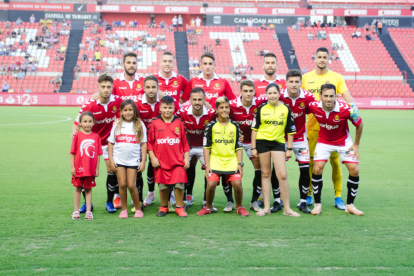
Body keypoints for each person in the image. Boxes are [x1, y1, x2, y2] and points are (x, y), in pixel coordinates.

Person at [301, 47, 359, 209]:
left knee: (335, 163)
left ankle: (338, 196)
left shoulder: (337, 77)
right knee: (313, 164)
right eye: (319, 57)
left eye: (324, 57)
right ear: (314, 58)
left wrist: (354, 108)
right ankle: (310, 194)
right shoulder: (306, 78)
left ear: (328, 59)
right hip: (313, 128)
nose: (322, 59)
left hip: (334, 130)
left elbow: (346, 94)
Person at [307, 84, 364, 216]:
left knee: (354, 170)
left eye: (331, 96)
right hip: (324, 141)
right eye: (325, 96)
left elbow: (359, 124)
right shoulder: (314, 106)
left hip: (344, 142)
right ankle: (317, 205)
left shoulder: (346, 109)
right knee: (317, 169)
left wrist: (356, 145)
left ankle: (350, 205)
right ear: (320, 96)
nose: (328, 99)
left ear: (336, 96)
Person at [72, 74, 123, 214]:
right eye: (103, 87)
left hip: (109, 143)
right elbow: (76, 125)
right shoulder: (89, 104)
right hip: (91, 143)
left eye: (108, 87)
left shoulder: (118, 102)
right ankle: (87, 203)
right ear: (98, 87)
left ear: (113, 88)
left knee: (112, 170)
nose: (106, 89)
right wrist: (75, 136)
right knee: (84, 172)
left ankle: (109, 202)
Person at [251, 83, 300, 217]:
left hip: (278, 143)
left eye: (275, 93)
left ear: (279, 94)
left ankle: (287, 209)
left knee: (282, 175)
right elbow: (254, 129)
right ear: (266, 95)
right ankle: (266, 208)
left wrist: (289, 148)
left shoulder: (285, 108)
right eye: (270, 93)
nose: (272, 96)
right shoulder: (261, 108)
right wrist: (253, 147)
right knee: (265, 174)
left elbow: (290, 130)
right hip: (262, 143)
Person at [197, 97, 250, 217]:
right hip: (215, 161)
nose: (224, 110)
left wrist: (240, 164)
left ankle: (240, 207)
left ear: (229, 109)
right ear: (216, 110)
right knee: (210, 184)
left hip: (232, 160)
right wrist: (207, 165)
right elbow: (206, 147)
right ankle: (208, 207)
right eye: (221, 108)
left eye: (226, 107)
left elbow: (239, 146)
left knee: (237, 183)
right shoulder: (211, 126)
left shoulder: (235, 126)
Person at [134, 76, 180, 209]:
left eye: (153, 87)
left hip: (163, 140)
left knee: (166, 165)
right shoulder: (137, 103)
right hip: (143, 141)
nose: (151, 90)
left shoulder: (165, 102)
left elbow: (180, 110)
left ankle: (170, 193)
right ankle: (149, 193)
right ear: (143, 88)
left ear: (158, 88)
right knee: (142, 167)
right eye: (148, 87)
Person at [273, 70, 316, 213]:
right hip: (280, 139)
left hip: (300, 140)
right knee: (276, 171)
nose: (294, 84)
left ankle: (303, 202)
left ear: (301, 83)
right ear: (286, 83)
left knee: (305, 170)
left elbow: (319, 110)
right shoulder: (279, 96)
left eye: (297, 81)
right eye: (291, 81)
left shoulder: (308, 97)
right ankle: (277, 201)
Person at [147, 96, 190, 217]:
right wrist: (153, 158)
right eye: (165, 107)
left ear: (174, 108)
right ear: (160, 108)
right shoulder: (154, 123)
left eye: (170, 107)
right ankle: (164, 206)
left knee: (180, 183)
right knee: (162, 185)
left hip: (177, 161)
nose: (167, 110)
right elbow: (149, 144)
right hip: (161, 162)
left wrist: (186, 158)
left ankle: (179, 207)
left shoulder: (179, 123)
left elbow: (185, 144)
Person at [229, 80, 268, 212]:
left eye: (251, 91)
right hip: (237, 143)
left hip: (253, 143)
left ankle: (255, 200)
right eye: (245, 91)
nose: (248, 93)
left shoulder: (260, 102)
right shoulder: (231, 105)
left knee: (260, 169)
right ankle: (230, 201)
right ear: (240, 91)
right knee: (229, 170)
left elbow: (277, 97)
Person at [175, 88, 216, 208]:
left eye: (200, 99)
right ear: (190, 100)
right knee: (184, 169)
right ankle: (186, 197)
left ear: (204, 100)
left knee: (209, 172)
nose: (197, 102)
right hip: (188, 146)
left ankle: (206, 200)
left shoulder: (211, 113)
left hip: (205, 147)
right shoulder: (181, 112)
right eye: (194, 99)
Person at [108, 99, 146, 219]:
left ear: (134, 111)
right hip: (119, 160)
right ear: (121, 112)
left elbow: (144, 143)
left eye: (130, 110)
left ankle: (138, 209)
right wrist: (111, 159)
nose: (128, 112)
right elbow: (110, 143)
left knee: (131, 185)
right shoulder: (117, 125)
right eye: (125, 110)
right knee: (122, 184)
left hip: (133, 160)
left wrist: (143, 160)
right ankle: (124, 210)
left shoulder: (139, 124)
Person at [70, 112, 102, 220]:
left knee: (88, 189)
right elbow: (72, 152)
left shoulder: (96, 136)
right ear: (80, 123)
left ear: (94, 123)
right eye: (85, 121)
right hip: (78, 168)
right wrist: (72, 167)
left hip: (90, 169)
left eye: (90, 121)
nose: (87, 124)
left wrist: (97, 168)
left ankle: (88, 211)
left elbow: (98, 154)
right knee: (78, 188)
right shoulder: (77, 135)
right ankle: (76, 211)